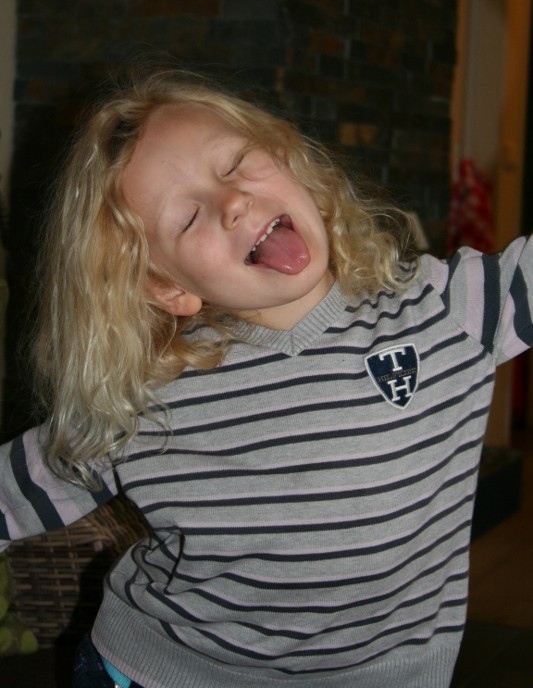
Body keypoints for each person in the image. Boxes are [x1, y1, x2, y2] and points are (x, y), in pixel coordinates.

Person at [0, 65, 531, 688]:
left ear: (289, 161)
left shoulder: (447, 311)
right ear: (169, 288)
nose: (232, 203)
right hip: (164, 673)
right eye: (188, 218)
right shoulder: (146, 396)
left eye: (235, 165)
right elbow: (19, 489)